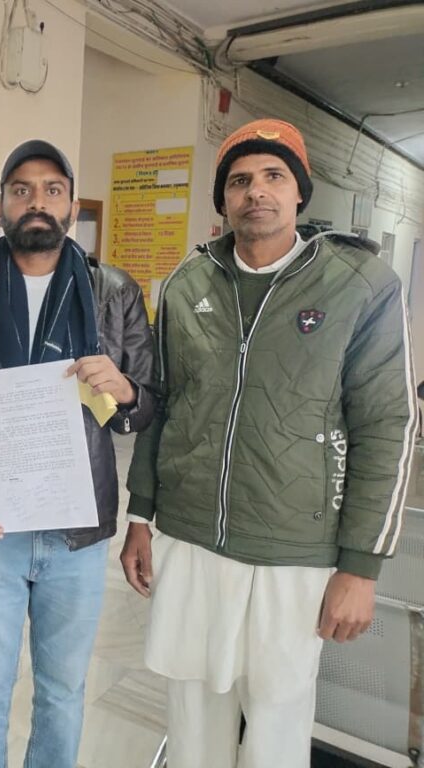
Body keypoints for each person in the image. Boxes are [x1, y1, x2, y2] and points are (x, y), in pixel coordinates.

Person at [122, 118, 416, 768]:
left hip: (294, 551)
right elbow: (163, 403)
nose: (256, 191)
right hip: (191, 539)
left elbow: (387, 425)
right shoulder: (186, 284)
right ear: (223, 200)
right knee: (192, 712)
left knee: (277, 725)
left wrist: (361, 566)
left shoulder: (360, 285)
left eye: (273, 176)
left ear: (299, 192)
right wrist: (140, 516)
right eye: (239, 181)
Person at [0, 139, 155, 767]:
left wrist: (125, 390)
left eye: (52, 190)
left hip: (77, 533)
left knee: (63, 692)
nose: (37, 201)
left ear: (71, 205)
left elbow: (146, 408)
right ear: (0, 206)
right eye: (21, 190)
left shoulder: (113, 292)